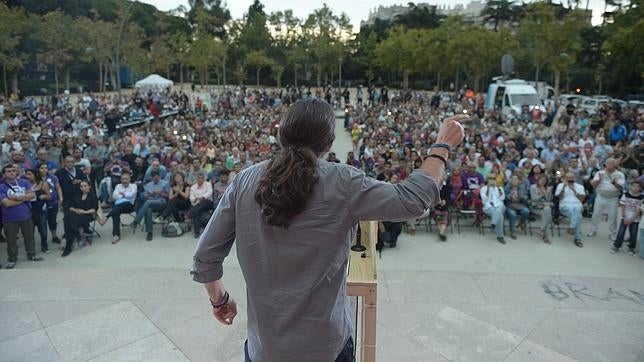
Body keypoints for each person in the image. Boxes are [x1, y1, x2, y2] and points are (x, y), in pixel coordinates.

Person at [190, 99, 465, 361]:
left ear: (281, 136)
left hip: (265, 348)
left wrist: (219, 298)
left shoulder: (244, 181)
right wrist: (441, 147)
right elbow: (413, 200)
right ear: (329, 142)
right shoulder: (343, 182)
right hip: (326, 347)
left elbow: (205, 254)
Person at [0, 164, 43, 269]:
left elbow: (32, 195)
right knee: (11, 240)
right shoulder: (1, 187)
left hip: (26, 215)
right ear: (4, 174)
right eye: (8, 171)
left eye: (13, 171)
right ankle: (12, 259)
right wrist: (24, 199)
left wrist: (15, 198)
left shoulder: (24, 182)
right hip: (9, 218)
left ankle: (31, 254)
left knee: (29, 237)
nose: (11, 173)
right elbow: (6, 204)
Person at [586, 158, 625, 241]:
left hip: (613, 198)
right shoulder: (600, 173)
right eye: (608, 163)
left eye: (611, 163)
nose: (609, 165)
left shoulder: (620, 174)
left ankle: (613, 233)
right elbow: (593, 185)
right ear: (605, 164)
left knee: (612, 217)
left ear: (615, 165)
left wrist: (614, 183)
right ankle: (593, 230)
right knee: (596, 214)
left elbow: (621, 188)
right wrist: (599, 180)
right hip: (601, 196)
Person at [55, 155, 86, 257]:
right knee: (67, 218)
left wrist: (80, 182)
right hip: (66, 199)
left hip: (78, 199)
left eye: (72, 162)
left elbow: (86, 182)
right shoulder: (59, 173)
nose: (70, 164)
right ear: (64, 162)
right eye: (68, 162)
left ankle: (72, 238)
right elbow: (57, 186)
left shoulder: (79, 171)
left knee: (69, 219)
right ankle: (73, 238)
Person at [98, 172, 137, 244]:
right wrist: (124, 195)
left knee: (116, 208)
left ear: (129, 179)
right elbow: (114, 196)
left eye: (126, 179)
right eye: (123, 179)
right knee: (115, 213)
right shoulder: (118, 186)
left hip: (129, 205)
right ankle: (116, 235)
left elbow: (131, 195)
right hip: (117, 206)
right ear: (121, 180)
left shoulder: (133, 186)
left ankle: (106, 217)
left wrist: (122, 194)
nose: (124, 181)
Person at [131, 170, 168, 241]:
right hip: (150, 202)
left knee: (148, 203)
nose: (155, 180)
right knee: (148, 209)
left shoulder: (165, 183)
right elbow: (145, 196)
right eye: (153, 179)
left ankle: (136, 221)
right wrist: (151, 194)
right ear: (151, 178)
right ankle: (149, 232)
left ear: (159, 177)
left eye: (157, 178)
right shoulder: (148, 185)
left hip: (161, 203)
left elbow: (168, 196)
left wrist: (160, 193)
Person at [555, 172, 586, 247]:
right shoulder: (560, 185)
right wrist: (563, 187)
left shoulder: (579, 186)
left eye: (572, 178)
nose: (570, 180)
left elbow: (582, 199)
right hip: (565, 206)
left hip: (577, 205)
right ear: (565, 179)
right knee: (579, 216)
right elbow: (559, 198)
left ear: (574, 179)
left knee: (577, 208)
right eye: (568, 178)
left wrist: (574, 190)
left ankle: (572, 227)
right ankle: (577, 238)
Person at [611, 181, 642, 255]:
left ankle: (631, 248)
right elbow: (622, 205)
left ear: (640, 188)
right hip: (625, 217)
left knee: (633, 234)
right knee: (621, 232)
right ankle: (617, 246)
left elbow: (639, 210)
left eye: (638, 186)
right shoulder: (626, 195)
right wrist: (624, 216)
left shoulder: (642, 197)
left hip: (635, 219)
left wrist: (632, 219)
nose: (635, 188)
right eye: (634, 186)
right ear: (630, 186)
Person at [24, 168, 51, 253]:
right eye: (26, 174)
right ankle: (31, 249)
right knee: (29, 231)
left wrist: (44, 196)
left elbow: (49, 196)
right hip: (28, 210)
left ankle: (44, 246)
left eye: (30, 174)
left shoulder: (43, 184)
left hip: (40, 210)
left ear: (35, 175)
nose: (28, 176)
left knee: (43, 230)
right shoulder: (24, 185)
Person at [69, 180, 98, 247]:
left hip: (87, 215)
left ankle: (75, 238)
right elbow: (71, 206)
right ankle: (75, 237)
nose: (83, 188)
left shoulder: (93, 197)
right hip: (77, 213)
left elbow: (94, 210)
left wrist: (84, 212)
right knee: (68, 218)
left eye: (85, 186)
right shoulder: (77, 195)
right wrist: (75, 210)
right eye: (81, 186)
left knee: (73, 221)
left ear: (89, 186)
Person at [480, 173, 506, 244]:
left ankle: (493, 224)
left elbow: (502, 198)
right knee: (500, 216)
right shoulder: (484, 188)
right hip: (489, 207)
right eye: (490, 178)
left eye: (494, 178)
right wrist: (488, 189)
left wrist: (498, 189)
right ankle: (500, 236)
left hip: (500, 206)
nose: (492, 180)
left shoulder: (500, 188)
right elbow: (484, 200)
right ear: (487, 180)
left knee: (499, 207)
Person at [504, 175, 530, 240]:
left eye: (516, 179)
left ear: (519, 181)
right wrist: (510, 196)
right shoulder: (507, 187)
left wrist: (522, 197)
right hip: (510, 205)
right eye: (513, 179)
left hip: (520, 204)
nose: (514, 181)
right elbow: (504, 198)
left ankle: (521, 222)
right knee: (513, 214)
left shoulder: (522, 187)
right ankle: (512, 231)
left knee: (526, 211)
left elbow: (526, 197)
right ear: (510, 181)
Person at [188, 171, 213, 238]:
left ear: (204, 179)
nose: (200, 179)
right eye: (199, 178)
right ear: (196, 179)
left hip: (207, 203)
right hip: (196, 204)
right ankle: (197, 232)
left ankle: (190, 213)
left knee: (196, 209)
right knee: (197, 212)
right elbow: (191, 197)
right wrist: (194, 199)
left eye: (202, 178)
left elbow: (209, 192)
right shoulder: (193, 187)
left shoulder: (208, 184)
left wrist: (202, 197)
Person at [530, 175, 553, 244]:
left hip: (545, 207)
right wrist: (543, 194)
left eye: (544, 180)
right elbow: (534, 199)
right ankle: (545, 235)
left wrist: (548, 192)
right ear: (538, 180)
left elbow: (549, 200)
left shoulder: (548, 188)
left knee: (547, 211)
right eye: (541, 179)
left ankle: (542, 231)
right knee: (548, 215)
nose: (543, 181)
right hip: (536, 207)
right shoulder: (533, 187)